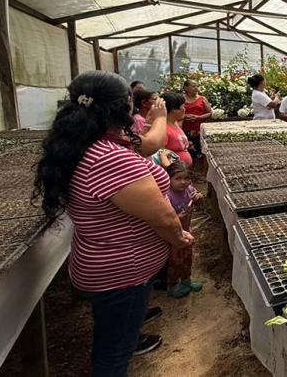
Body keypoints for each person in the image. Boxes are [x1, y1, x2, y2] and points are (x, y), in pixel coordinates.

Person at [33, 71, 192, 376]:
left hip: (101, 263)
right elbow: (162, 216)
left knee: (114, 335)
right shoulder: (109, 158)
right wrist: (178, 238)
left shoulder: (85, 143)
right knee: (113, 356)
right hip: (122, 274)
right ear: (122, 107)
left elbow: (143, 146)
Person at [164, 162, 203, 299]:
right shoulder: (167, 195)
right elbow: (165, 218)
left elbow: (196, 195)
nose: (183, 182)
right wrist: (177, 218)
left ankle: (186, 280)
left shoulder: (188, 189)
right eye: (178, 178)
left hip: (186, 230)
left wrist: (198, 197)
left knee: (187, 257)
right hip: (173, 235)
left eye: (186, 178)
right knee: (175, 260)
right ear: (168, 178)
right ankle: (172, 286)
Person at [182, 79, 212, 164]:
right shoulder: (181, 99)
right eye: (193, 86)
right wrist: (184, 117)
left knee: (202, 153)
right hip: (185, 131)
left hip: (200, 131)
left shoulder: (202, 99)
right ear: (186, 88)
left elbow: (210, 113)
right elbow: (174, 112)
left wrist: (198, 117)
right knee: (188, 152)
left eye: (197, 86)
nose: (196, 88)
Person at [161, 92, 192, 166]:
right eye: (182, 106)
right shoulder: (163, 129)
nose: (184, 109)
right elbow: (161, 153)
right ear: (174, 109)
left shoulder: (175, 123)